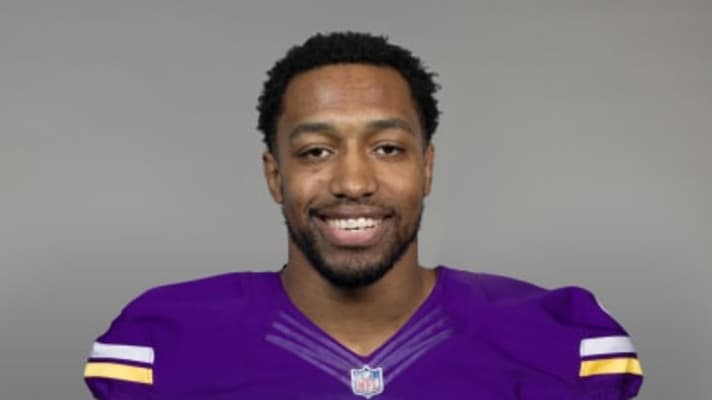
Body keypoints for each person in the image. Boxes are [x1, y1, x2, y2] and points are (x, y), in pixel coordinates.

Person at [83, 31, 643, 399]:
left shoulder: (554, 338)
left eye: (388, 148)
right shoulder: (166, 341)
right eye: (315, 152)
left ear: (426, 168)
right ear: (275, 176)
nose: (353, 183)